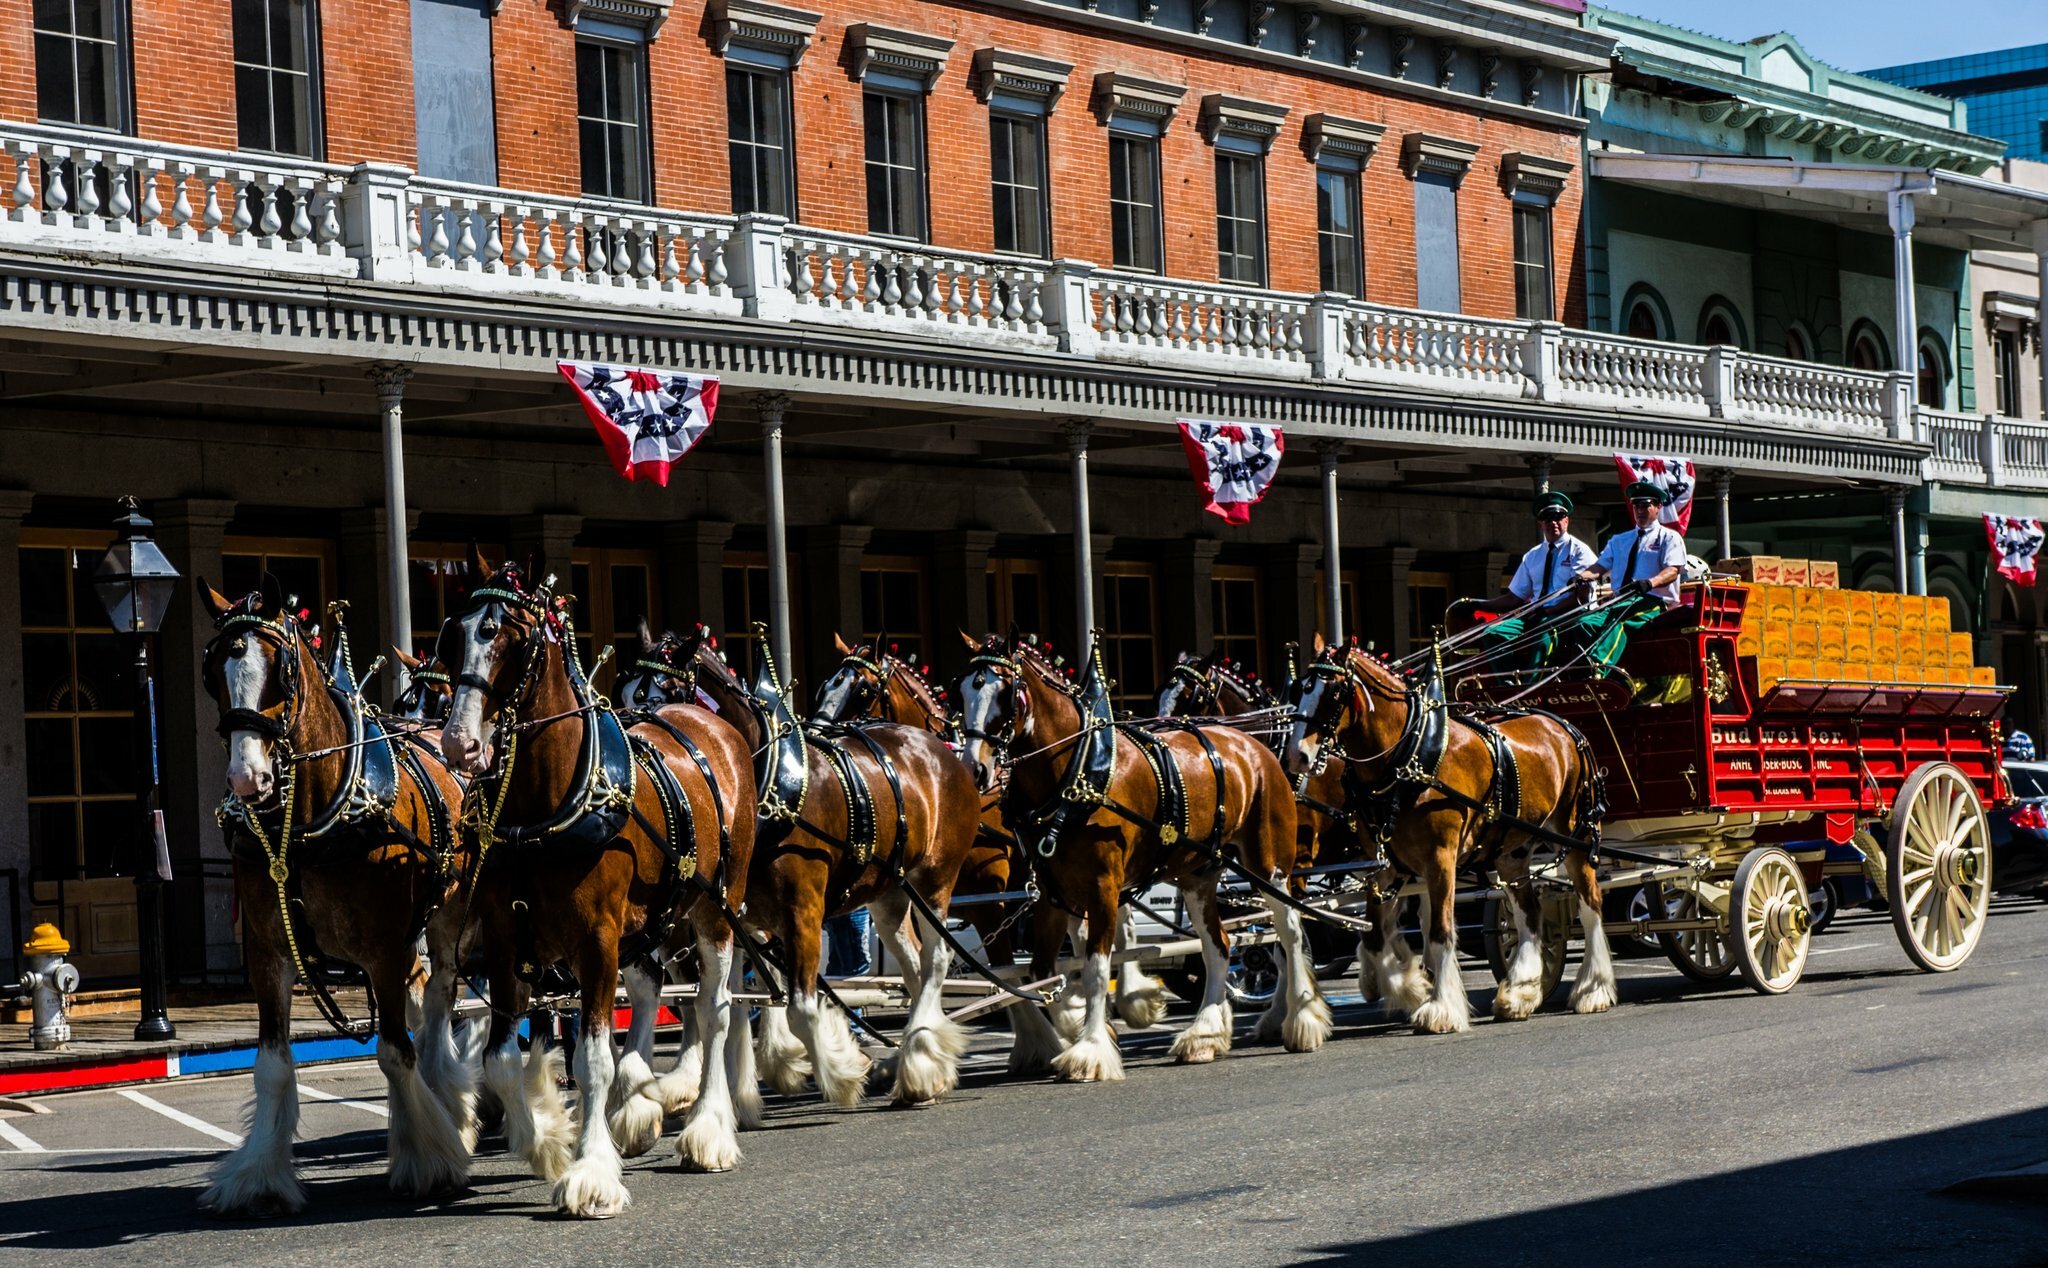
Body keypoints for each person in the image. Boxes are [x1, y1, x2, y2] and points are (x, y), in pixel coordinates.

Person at [1456, 490, 1598, 671]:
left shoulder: (1579, 551)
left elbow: (1582, 597)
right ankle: (1508, 683)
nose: (1553, 522)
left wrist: (1549, 610)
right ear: (1540, 524)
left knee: (1542, 632)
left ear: (1566, 520)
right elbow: (1515, 598)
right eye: (1547, 518)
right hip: (1538, 615)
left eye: (1558, 517)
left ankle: (1531, 689)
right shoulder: (1533, 556)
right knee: (1493, 633)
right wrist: (1478, 604)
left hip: (1568, 616)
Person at [1563, 481, 1688, 670]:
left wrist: (1649, 583)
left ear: (1658, 507)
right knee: (1584, 623)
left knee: (1619, 622)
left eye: (1645, 505)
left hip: (1653, 601)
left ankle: (1598, 667)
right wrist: (1581, 577)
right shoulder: (1620, 540)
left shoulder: (1669, 537)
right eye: (1636, 505)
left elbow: (1673, 570)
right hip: (1620, 601)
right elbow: (1599, 566)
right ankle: (1581, 671)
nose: (1640, 510)